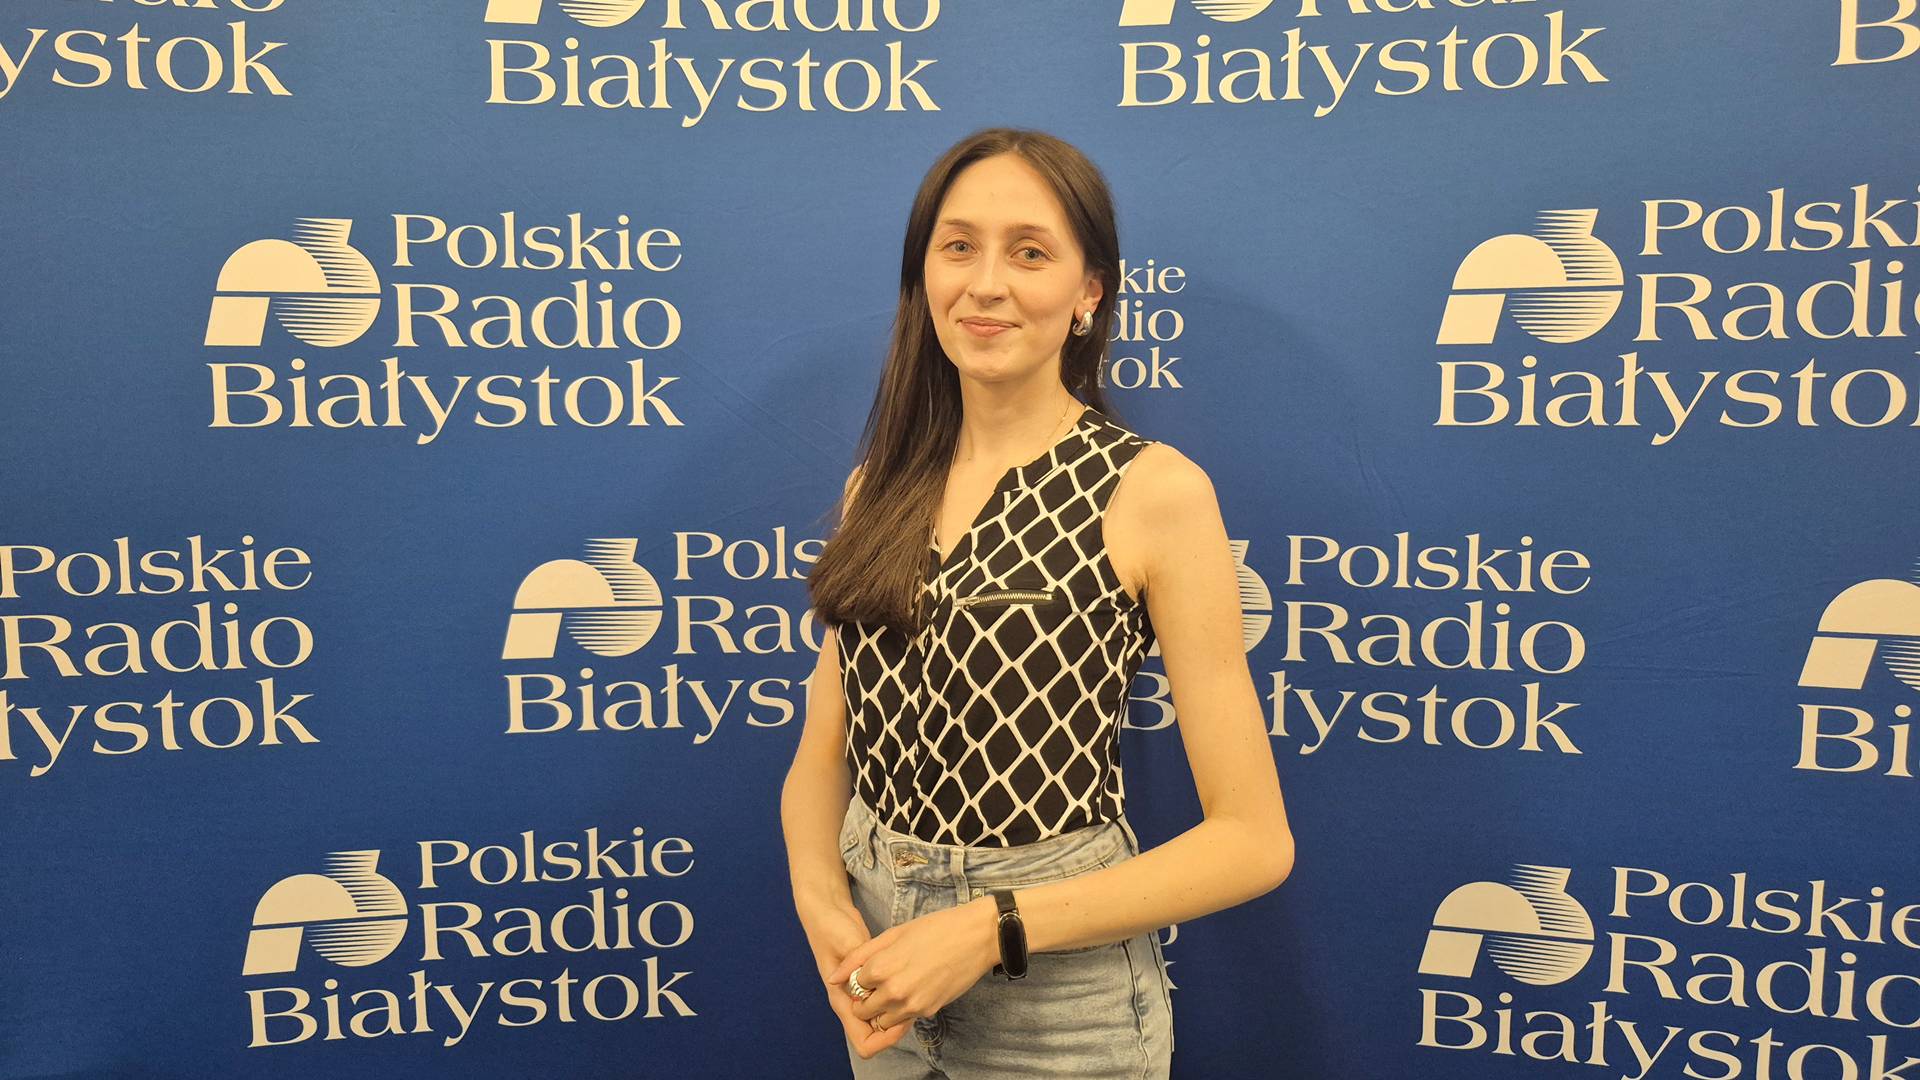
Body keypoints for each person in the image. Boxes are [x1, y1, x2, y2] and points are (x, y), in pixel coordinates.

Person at [781, 127, 1295, 1079]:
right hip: (880, 970)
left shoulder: (1153, 492)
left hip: (1060, 1004)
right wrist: (824, 903)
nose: (986, 284)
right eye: (958, 246)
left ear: (1089, 291)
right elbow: (824, 750)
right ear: (924, 272)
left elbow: (1253, 840)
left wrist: (993, 925)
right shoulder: (876, 488)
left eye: (1029, 252)